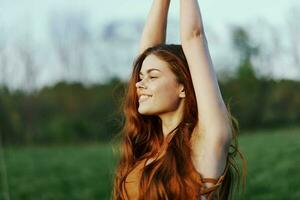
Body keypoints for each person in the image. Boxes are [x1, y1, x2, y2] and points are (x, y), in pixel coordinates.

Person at [112, 0, 246, 199]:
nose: (139, 84)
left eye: (153, 76)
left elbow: (194, 37)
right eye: (141, 77)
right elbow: (149, 53)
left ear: (183, 87)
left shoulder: (206, 142)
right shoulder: (149, 149)